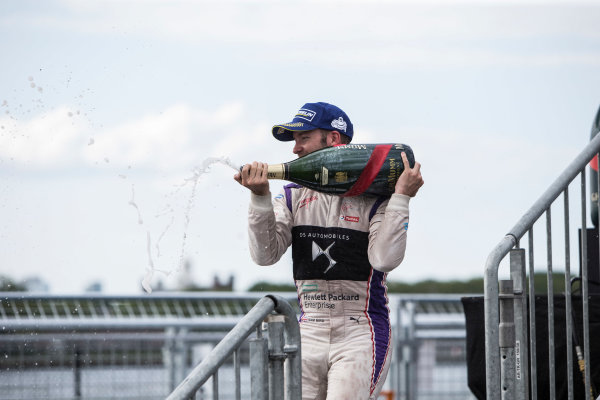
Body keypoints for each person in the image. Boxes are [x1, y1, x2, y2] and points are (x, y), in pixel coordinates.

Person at [234, 102, 423, 400]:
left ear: (333, 140)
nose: (295, 149)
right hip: (309, 327)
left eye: (303, 138)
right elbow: (265, 255)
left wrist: (401, 198)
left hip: (361, 331)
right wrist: (259, 198)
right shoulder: (291, 195)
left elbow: (385, 259)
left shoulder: (377, 198)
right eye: (293, 140)